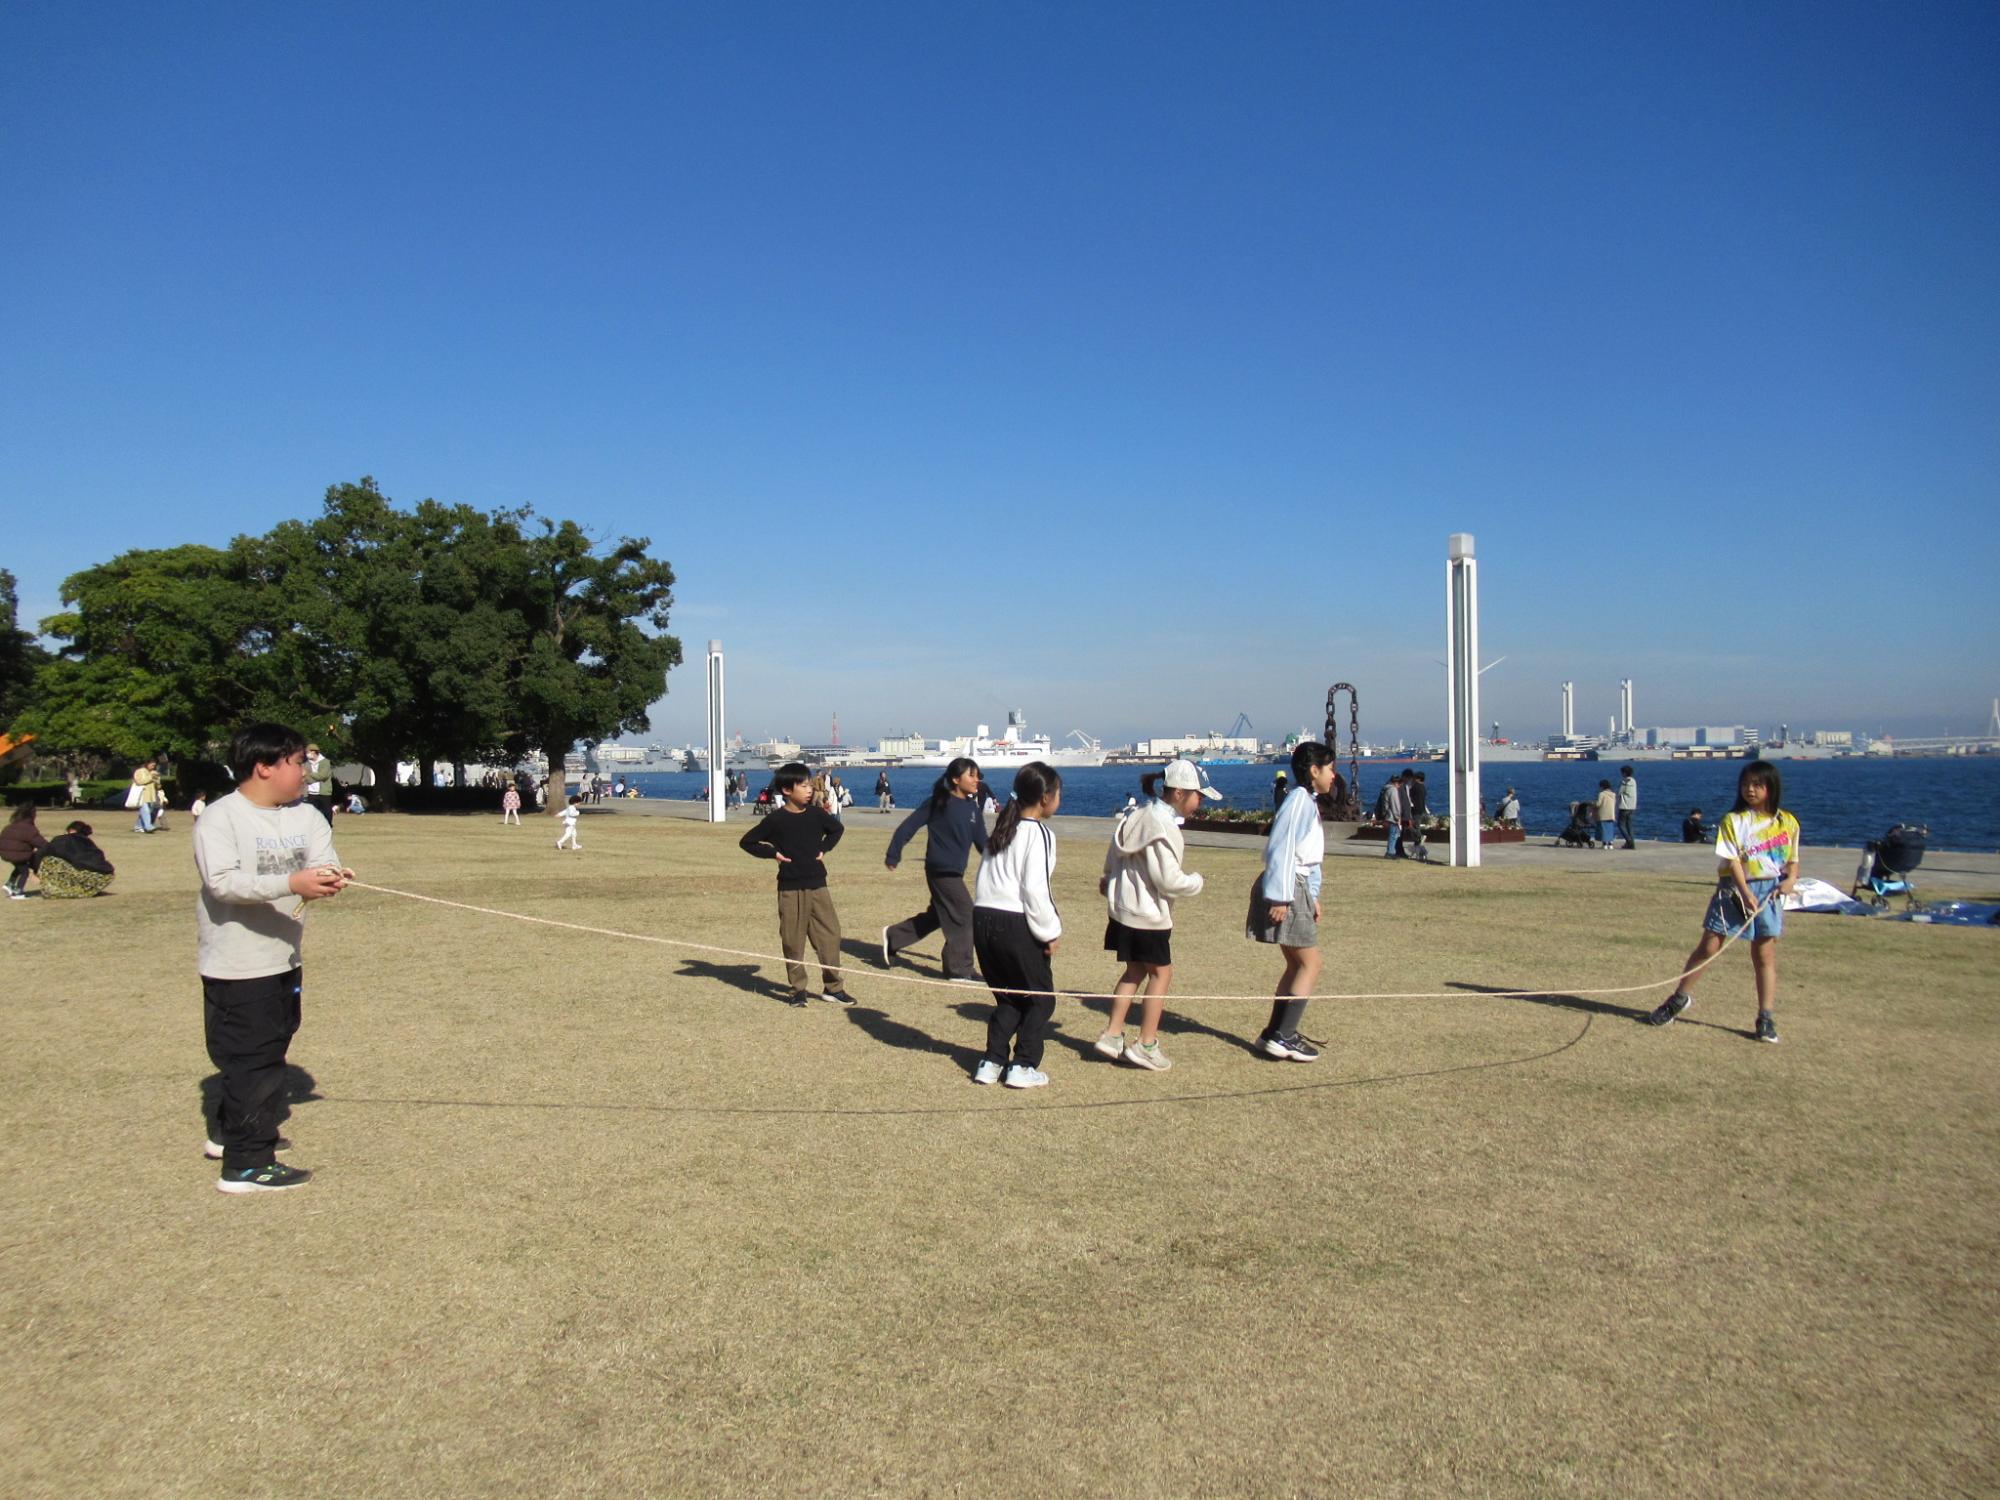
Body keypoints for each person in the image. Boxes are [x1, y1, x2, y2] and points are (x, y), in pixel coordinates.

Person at [196, 722, 353, 1192]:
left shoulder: (307, 818)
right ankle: (247, 1164)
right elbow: (222, 882)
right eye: (297, 762)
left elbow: (321, 860)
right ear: (263, 766)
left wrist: (327, 877)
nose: (307, 772)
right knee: (252, 1058)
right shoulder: (221, 818)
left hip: (284, 958)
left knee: (271, 1046)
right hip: (237, 964)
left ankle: (232, 1134)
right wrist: (291, 883)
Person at [1645, 760, 1799, 1044]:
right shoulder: (1734, 821)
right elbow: (1733, 860)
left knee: (1764, 955)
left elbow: (1792, 861)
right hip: (1733, 889)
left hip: (1770, 893)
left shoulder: (1787, 822)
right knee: (1709, 945)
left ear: (1770, 787)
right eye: (1745, 784)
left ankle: (1765, 1016)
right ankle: (1679, 998)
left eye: (1757, 784)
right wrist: (1744, 892)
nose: (1750, 790)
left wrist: (1789, 881)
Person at [1094, 761, 1217, 1070]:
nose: (1199, 802)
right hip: (1149, 915)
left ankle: (1111, 1034)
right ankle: (1146, 1043)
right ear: (1179, 793)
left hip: (1124, 911)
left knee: (1133, 972)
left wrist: (1109, 878)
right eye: (1198, 796)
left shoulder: (1135, 815)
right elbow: (1168, 880)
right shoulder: (1163, 827)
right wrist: (1196, 881)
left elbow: (1112, 855)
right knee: (1162, 973)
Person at [970, 762, 1063, 1088]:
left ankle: (992, 1061)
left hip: (983, 918)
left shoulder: (1002, 829)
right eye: (1058, 794)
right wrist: (1050, 932)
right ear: (1045, 797)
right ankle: (1023, 1065)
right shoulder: (1038, 833)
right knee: (1040, 999)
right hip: (1014, 922)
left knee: (1009, 998)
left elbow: (984, 879)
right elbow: (1036, 890)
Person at [1245, 741, 1336, 1062]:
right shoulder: (1298, 801)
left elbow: (1308, 858)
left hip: (1297, 888)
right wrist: (1282, 897)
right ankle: (1284, 1035)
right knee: (1311, 963)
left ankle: (1273, 1032)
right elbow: (1281, 850)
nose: (1334, 775)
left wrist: (1313, 896)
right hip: (1287, 887)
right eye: (1330, 768)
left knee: (1297, 963)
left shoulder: (1305, 802)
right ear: (1314, 771)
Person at [738, 762, 850, 1006]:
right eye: (803, 785)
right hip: (789, 887)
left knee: (830, 935)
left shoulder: (817, 814)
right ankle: (798, 990)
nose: (809, 789)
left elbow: (836, 830)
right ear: (787, 790)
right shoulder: (776, 820)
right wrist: (772, 854)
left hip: (818, 884)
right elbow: (747, 842)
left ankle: (833, 987)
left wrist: (823, 848)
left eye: (810, 784)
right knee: (793, 939)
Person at [883, 757, 986, 983]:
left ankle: (894, 937)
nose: (977, 779)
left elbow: (983, 844)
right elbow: (907, 827)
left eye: (978, 775)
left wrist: (1002, 860)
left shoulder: (972, 808)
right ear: (956, 779)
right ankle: (959, 969)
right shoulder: (939, 802)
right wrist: (893, 854)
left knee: (938, 915)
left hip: (956, 871)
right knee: (965, 914)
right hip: (940, 870)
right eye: (972, 775)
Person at [39, 820, 115, 898]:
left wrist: (36, 872)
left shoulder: (63, 840)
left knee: (49, 860)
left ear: (71, 830)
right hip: (103, 876)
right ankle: (87, 890)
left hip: (83, 873)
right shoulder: (89, 842)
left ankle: (61, 890)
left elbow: (42, 853)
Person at [3, 803, 49, 899]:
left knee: (20, 867)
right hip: (18, 854)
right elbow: (40, 843)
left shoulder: (11, 826)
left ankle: (9, 884)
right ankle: (18, 892)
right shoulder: (29, 829)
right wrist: (50, 848)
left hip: (6, 853)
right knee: (25, 872)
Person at [1374, 772, 1406, 858]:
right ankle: (1390, 852)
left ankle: (1391, 851)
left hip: (1387, 815)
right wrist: (1398, 816)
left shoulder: (1385, 789)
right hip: (1392, 816)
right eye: (1399, 785)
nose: (1399, 787)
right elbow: (1395, 804)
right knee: (1394, 835)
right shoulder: (1392, 790)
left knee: (1392, 834)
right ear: (1397, 783)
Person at [303, 744, 335, 824]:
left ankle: (328, 827)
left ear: (314, 752)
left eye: (308, 752)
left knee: (327, 812)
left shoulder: (325, 762)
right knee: (311, 813)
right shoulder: (306, 763)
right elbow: (304, 776)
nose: (307, 754)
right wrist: (313, 776)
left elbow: (323, 776)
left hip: (323, 792)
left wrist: (310, 774)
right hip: (310, 792)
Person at [129, 759, 163, 834]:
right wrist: (151, 777)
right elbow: (139, 781)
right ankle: (148, 826)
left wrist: (157, 780)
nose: (153, 766)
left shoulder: (154, 773)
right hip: (142, 795)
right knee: (146, 811)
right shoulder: (140, 771)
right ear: (147, 764)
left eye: (154, 765)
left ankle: (138, 826)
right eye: (152, 765)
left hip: (151, 796)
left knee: (147, 811)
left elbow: (158, 786)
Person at [1406, 770, 1432, 862]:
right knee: (1416, 825)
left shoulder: (1415, 787)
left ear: (1417, 779)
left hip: (1415, 810)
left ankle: (1419, 836)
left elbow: (1408, 796)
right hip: (1421, 810)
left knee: (1412, 826)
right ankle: (1417, 845)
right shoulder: (1423, 787)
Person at [1616, 765, 1638, 849]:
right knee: (1629, 826)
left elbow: (1619, 792)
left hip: (1624, 806)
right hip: (1632, 806)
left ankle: (1629, 841)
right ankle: (1631, 843)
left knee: (1620, 824)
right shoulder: (1633, 781)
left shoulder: (1624, 781)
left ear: (1624, 773)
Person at [1593, 779, 1618, 849]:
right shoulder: (1613, 794)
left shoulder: (1602, 794)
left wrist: (1593, 804)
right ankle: (1610, 844)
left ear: (1602, 786)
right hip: (1611, 814)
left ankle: (1604, 844)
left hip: (1603, 814)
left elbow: (1598, 804)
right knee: (1610, 830)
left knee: (1603, 830)